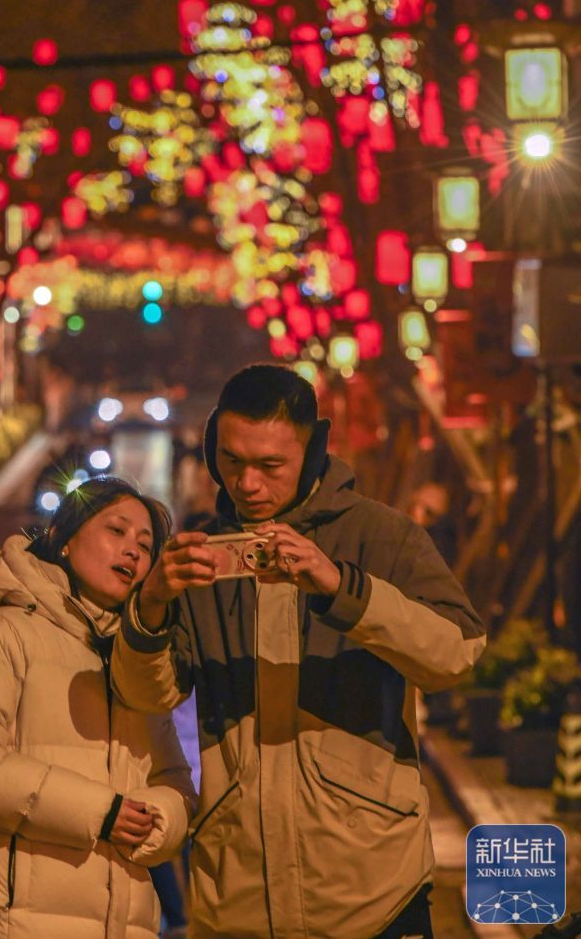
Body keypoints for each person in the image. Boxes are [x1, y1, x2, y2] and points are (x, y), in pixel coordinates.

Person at [112, 364, 487, 939]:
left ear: (311, 453)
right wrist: (154, 603)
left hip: (372, 895)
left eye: (270, 466)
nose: (248, 484)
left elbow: (456, 653)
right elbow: (148, 693)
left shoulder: (382, 537)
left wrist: (342, 587)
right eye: (232, 461)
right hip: (237, 899)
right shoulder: (205, 553)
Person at [0, 475, 195, 938]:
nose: (133, 551)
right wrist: (100, 812)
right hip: (9, 921)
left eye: (146, 546)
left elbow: (174, 782)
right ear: (65, 539)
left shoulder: (135, 662)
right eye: (116, 531)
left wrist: (155, 821)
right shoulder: (2, 634)